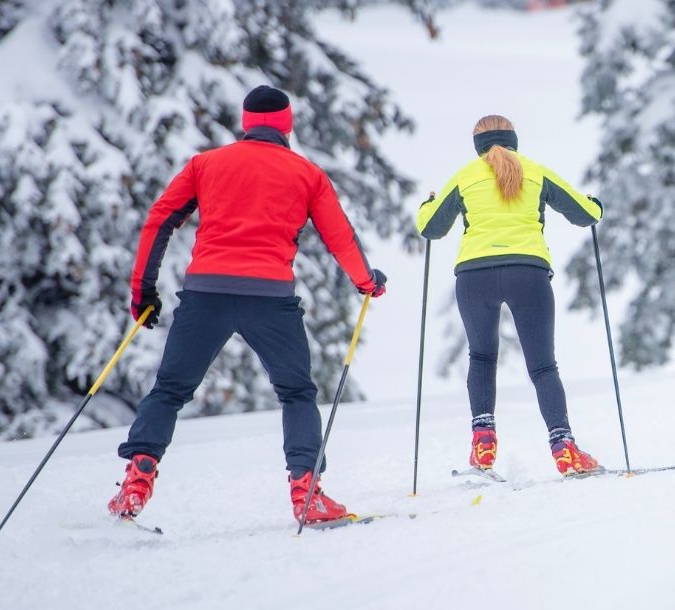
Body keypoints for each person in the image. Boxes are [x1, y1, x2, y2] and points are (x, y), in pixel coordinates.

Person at [109, 86, 388, 524]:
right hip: (271, 299)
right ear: (287, 124)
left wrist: (142, 291)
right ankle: (306, 493)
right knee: (296, 393)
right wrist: (367, 282)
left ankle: (136, 482)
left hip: (206, 294)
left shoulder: (205, 164)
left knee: (169, 390)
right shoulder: (308, 174)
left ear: (245, 122)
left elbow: (160, 220)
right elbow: (341, 237)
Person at [416, 115, 604, 476]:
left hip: (474, 276)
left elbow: (431, 228)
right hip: (528, 274)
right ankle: (564, 448)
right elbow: (586, 214)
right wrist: (596, 203)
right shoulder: (535, 172)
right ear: (514, 139)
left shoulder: (465, 177)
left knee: (482, 357)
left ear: (477, 145)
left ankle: (483, 446)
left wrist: (427, 204)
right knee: (543, 366)